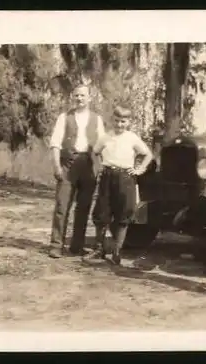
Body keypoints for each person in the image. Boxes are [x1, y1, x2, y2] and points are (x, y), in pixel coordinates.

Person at [87, 105, 153, 265]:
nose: (119, 125)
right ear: (112, 120)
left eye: (123, 121)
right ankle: (98, 249)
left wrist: (140, 169)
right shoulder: (105, 137)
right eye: (116, 121)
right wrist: (99, 167)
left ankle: (117, 251)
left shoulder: (132, 138)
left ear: (128, 122)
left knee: (124, 214)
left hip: (126, 178)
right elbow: (94, 152)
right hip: (107, 175)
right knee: (102, 212)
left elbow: (148, 154)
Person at [48, 84, 106, 258]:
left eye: (83, 96)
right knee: (62, 205)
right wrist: (57, 166)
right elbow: (55, 144)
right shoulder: (64, 117)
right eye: (76, 95)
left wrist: (101, 166)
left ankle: (76, 246)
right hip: (68, 164)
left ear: (89, 98)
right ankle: (56, 245)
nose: (79, 99)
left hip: (89, 165)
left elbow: (102, 144)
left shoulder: (97, 119)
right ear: (72, 97)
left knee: (83, 207)